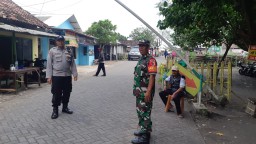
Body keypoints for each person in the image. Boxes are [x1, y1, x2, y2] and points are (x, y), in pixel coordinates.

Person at [131, 40, 157, 144]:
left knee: (145, 113)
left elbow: (152, 76)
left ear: (148, 47)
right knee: (140, 112)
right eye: (140, 46)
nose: (141, 48)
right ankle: (143, 131)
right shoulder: (142, 59)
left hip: (145, 92)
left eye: (143, 46)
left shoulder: (151, 60)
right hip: (139, 92)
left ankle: (145, 138)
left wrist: (148, 92)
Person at [46, 35, 78, 119]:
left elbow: (72, 63)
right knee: (56, 93)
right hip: (57, 76)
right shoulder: (52, 51)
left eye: (62, 40)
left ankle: (65, 107)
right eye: (59, 41)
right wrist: (49, 77)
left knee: (67, 92)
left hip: (67, 76)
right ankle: (55, 110)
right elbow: (49, 65)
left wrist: (75, 74)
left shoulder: (69, 50)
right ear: (56, 42)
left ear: (64, 41)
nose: (60, 42)